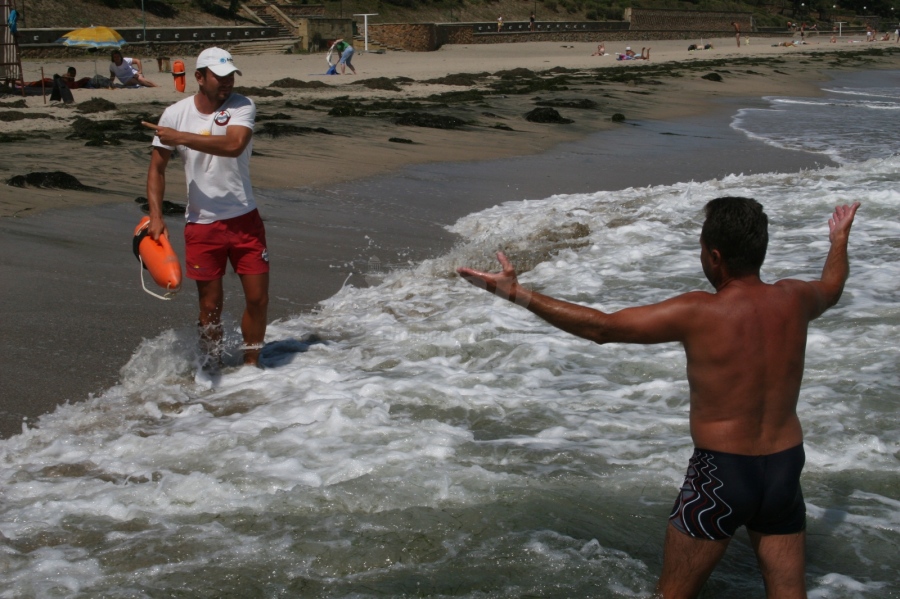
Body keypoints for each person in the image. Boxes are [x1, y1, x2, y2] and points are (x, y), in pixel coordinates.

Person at [457, 197, 860, 598]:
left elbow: (603, 328)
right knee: (789, 591)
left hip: (722, 474)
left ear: (715, 256)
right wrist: (838, 239)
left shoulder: (699, 311)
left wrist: (516, 293)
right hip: (785, 467)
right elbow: (833, 286)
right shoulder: (796, 298)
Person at [142, 48, 269, 367]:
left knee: (257, 298)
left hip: (244, 220)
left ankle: (251, 366)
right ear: (199, 77)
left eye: (230, 76)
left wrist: (180, 137)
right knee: (209, 306)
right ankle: (212, 366)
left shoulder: (242, 105)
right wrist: (156, 216)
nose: (226, 83)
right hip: (201, 225)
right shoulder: (174, 114)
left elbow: (233, 144)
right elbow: (156, 169)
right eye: (219, 77)